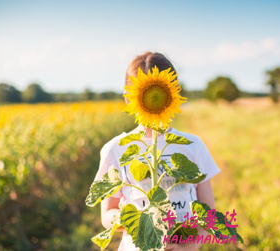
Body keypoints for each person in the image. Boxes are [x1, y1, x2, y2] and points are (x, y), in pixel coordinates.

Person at [94, 51, 221, 251]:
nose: (154, 99)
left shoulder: (193, 146)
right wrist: (131, 219)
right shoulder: (116, 149)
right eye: (144, 93)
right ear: (129, 99)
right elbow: (107, 214)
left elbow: (208, 214)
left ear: (174, 93)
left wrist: (187, 248)